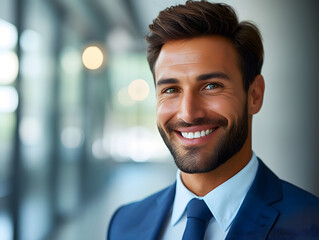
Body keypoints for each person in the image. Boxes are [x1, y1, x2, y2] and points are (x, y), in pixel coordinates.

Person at [107, 1, 319, 239]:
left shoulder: (311, 225)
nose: (188, 113)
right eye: (170, 89)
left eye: (211, 86)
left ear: (255, 95)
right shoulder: (123, 224)